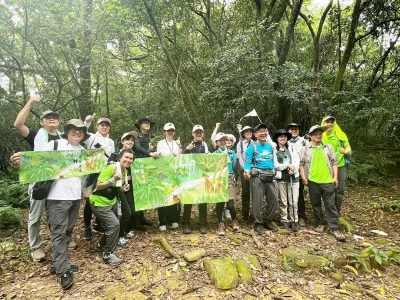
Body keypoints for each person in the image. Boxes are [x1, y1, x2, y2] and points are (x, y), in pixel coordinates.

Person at [13, 95, 66, 262]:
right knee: (35, 216)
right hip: (39, 181)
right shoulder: (37, 135)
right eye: (47, 117)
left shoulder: (64, 138)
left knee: (56, 215)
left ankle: (60, 242)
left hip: (58, 183)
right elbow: (18, 125)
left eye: (55, 117)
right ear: (42, 122)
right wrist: (30, 102)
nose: (52, 119)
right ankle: (35, 247)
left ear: (58, 122)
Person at [43, 119, 89, 289]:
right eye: (74, 129)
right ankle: (63, 270)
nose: (78, 132)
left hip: (75, 196)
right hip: (57, 197)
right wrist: (21, 158)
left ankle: (60, 263)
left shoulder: (84, 151)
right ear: (67, 131)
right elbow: (36, 160)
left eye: (81, 130)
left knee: (68, 231)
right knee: (59, 233)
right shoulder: (55, 144)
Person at [299, 125, 346, 242]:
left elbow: (334, 162)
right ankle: (320, 223)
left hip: (327, 180)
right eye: (315, 134)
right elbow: (301, 164)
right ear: (310, 136)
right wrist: (303, 177)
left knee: (330, 204)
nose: (318, 136)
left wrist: (335, 177)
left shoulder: (328, 147)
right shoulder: (305, 148)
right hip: (312, 180)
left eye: (320, 134)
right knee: (315, 203)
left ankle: (335, 228)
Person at [89, 149, 135, 265]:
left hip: (111, 202)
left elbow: (116, 186)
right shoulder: (111, 168)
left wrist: (122, 188)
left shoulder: (124, 170)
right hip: (99, 202)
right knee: (114, 225)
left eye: (131, 158)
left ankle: (101, 245)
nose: (128, 160)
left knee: (110, 226)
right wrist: (113, 179)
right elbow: (98, 186)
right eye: (126, 157)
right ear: (120, 157)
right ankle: (108, 253)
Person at [82, 115, 115, 240]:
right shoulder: (91, 137)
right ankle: (87, 227)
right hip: (91, 173)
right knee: (89, 201)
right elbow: (81, 133)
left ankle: (98, 223)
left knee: (101, 198)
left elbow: (112, 156)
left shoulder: (111, 141)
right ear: (98, 126)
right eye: (102, 125)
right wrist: (87, 122)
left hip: (104, 173)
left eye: (107, 125)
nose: (104, 127)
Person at [243, 124, 279, 235]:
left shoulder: (270, 146)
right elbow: (247, 163)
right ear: (255, 134)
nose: (263, 133)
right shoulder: (251, 147)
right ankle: (258, 223)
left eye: (265, 131)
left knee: (274, 199)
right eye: (260, 131)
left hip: (270, 176)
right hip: (258, 176)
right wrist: (247, 171)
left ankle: (268, 220)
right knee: (257, 201)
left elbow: (273, 161)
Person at [108, 132, 139, 248]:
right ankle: (119, 236)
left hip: (129, 187)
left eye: (132, 140)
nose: (130, 142)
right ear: (122, 141)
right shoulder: (115, 155)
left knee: (135, 212)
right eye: (127, 139)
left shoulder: (134, 156)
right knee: (125, 213)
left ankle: (126, 231)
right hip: (116, 188)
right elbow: (110, 169)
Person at [182, 124, 209, 234]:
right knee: (188, 201)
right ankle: (186, 224)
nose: (198, 134)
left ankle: (202, 224)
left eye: (200, 132)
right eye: (196, 132)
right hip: (189, 178)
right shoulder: (187, 145)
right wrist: (186, 151)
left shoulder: (205, 145)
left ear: (202, 134)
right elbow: (180, 161)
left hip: (202, 177)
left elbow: (210, 160)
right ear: (193, 134)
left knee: (202, 201)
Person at [321, 116, 351, 215]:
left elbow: (348, 147)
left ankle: (336, 211)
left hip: (340, 165)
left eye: (331, 122)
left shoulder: (340, 134)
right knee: (328, 190)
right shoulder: (319, 135)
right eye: (327, 122)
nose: (329, 124)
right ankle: (329, 211)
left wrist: (345, 151)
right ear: (323, 123)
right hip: (326, 166)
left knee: (340, 189)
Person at [133, 116, 158, 227]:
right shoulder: (136, 136)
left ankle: (142, 217)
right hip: (138, 167)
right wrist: (149, 153)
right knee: (138, 192)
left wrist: (150, 151)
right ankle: (137, 220)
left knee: (143, 191)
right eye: (145, 122)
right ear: (140, 125)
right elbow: (137, 148)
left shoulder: (147, 137)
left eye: (148, 123)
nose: (147, 124)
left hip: (145, 167)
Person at [273, 129, 300, 232]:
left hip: (293, 178)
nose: (282, 138)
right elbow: (275, 165)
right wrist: (286, 165)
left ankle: (294, 220)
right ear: (277, 139)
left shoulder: (292, 148)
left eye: (284, 136)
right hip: (281, 179)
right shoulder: (274, 150)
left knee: (293, 201)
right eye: (280, 136)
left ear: (287, 138)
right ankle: (284, 220)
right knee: (283, 201)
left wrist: (294, 169)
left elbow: (297, 160)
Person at [156, 123, 181, 231]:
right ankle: (162, 221)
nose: (170, 132)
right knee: (163, 196)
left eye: (172, 131)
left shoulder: (176, 143)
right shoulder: (160, 143)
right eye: (168, 131)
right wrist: (172, 154)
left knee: (174, 196)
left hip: (174, 173)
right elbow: (161, 155)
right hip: (163, 172)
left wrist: (178, 150)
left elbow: (180, 157)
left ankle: (173, 219)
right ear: (165, 132)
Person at [214, 133, 239, 235]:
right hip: (219, 179)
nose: (223, 142)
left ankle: (234, 220)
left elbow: (235, 167)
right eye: (220, 140)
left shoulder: (232, 153)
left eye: (224, 140)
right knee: (220, 203)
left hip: (229, 177)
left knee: (230, 204)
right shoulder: (214, 154)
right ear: (217, 142)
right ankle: (220, 223)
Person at [287, 123, 307, 226]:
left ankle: (301, 216)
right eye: (291, 129)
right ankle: (288, 216)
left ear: (298, 131)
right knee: (287, 195)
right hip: (287, 171)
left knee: (299, 195)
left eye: (295, 129)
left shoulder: (303, 141)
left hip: (300, 171)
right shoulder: (285, 141)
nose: (293, 131)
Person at [236, 125, 254, 220]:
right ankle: (245, 214)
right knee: (245, 192)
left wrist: (252, 169)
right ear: (243, 134)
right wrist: (246, 169)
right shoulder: (240, 144)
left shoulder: (255, 144)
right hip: (244, 171)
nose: (248, 133)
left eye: (250, 131)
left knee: (255, 192)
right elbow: (240, 158)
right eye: (246, 132)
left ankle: (255, 212)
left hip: (254, 171)